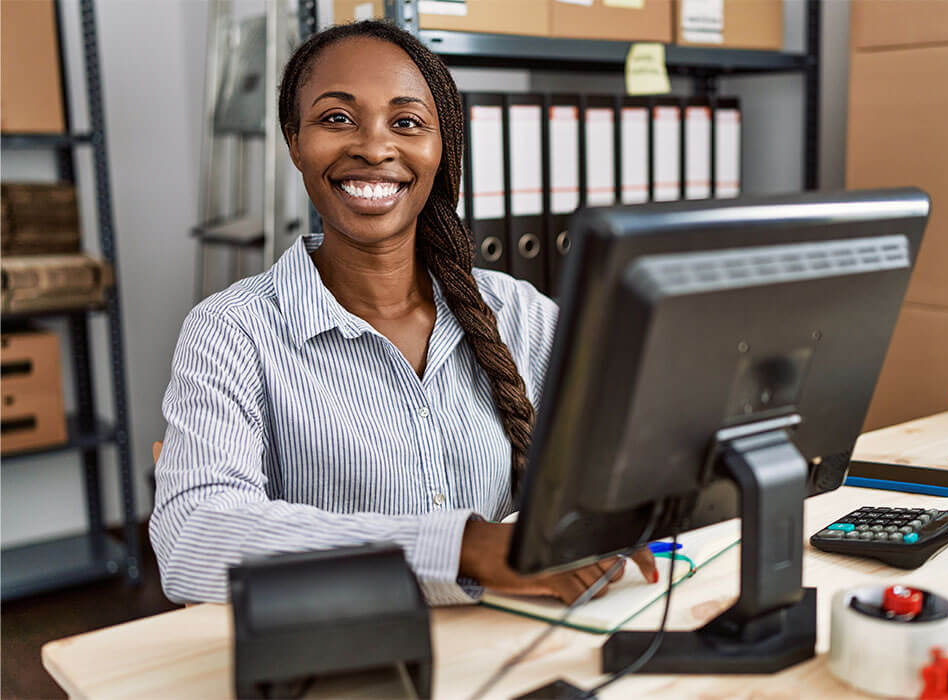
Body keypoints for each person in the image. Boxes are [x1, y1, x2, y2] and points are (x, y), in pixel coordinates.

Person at [149, 20, 656, 607]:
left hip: (516, 649)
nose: (374, 146)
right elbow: (193, 540)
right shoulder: (232, 332)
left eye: (407, 122)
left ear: (442, 150)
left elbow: (629, 451)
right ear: (294, 141)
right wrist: (463, 547)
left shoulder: (518, 313)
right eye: (337, 118)